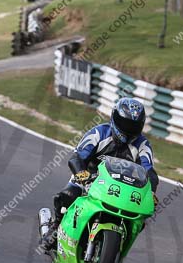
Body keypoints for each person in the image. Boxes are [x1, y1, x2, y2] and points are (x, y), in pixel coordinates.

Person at [40, 97, 160, 252]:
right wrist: (81, 174)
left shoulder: (143, 145)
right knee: (69, 194)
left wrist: (151, 192)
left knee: (140, 217)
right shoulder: (99, 133)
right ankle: (55, 227)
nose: (128, 129)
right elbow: (76, 157)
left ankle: (119, 245)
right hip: (89, 178)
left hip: (122, 187)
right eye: (124, 124)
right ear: (114, 118)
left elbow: (150, 171)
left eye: (133, 125)